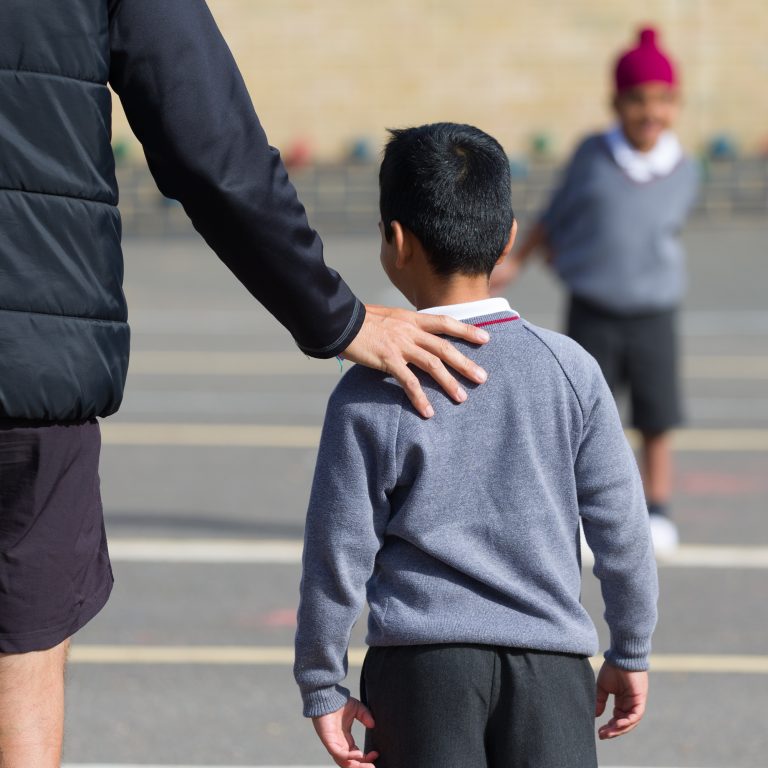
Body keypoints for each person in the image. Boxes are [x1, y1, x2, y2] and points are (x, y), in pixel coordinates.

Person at [0, 2, 490, 765]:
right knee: (20, 646)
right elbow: (211, 143)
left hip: (31, 355)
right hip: (29, 355)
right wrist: (338, 317)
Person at [294, 123, 658, 768]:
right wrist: (629, 649)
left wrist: (322, 681)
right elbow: (623, 529)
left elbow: (337, 547)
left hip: (420, 673)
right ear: (510, 235)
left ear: (395, 239)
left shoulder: (373, 387)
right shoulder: (570, 368)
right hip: (551, 668)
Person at [492, 27, 700, 553]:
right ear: (616, 102)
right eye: (637, 100)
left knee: (657, 417)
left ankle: (657, 509)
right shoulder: (592, 156)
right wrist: (516, 261)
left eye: (662, 100)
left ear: (676, 104)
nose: (650, 112)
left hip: (654, 313)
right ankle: (585, 514)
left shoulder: (684, 170)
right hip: (594, 310)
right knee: (587, 415)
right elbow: (556, 216)